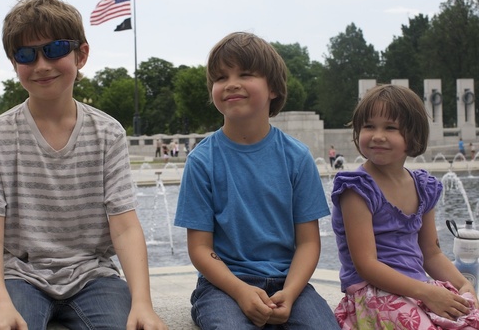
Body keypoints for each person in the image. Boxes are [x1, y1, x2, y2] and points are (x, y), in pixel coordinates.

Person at [0, 0, 167, 330]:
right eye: (26, 55)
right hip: (19, 276)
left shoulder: (108, 133)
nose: (42, 64)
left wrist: (142, 303)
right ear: (14, 63)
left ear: (81, 54)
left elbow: (125, 227)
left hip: (94, 276)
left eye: (56, 49)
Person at [174, 32, 339, 329]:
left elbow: (308, 242)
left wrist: (289, 292)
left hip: (289, 282)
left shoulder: (297, 158)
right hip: (222, 286)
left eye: (245, 74)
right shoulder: (201, 161)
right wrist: (239, 290)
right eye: (221, 77)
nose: (231, 83)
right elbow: (199, 247)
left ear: (273, 88)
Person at [332, 84, 479, 329]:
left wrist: (463, 284)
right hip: (372, 293)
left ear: (413, 137)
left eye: (390, 127)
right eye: (369, 126)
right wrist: (426, 293)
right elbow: (366, 265)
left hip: (416, 287)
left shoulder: (422, 187)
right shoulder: (357, 189)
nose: (378, 135)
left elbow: (431, 254)